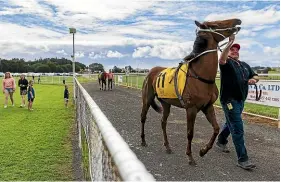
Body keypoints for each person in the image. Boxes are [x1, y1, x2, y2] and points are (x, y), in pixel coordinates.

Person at [216, 35, 259, 170]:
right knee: (238, 128)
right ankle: (243, 159)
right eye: (232, 50)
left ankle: (221, 141)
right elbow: (221, 60)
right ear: (228, 52)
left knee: (231, 123)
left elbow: (255, 75)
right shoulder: (227, 63)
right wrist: (230, 43)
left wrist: (254, 80)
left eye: (236, 50)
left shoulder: (244, 65)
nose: (235, 51)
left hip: (240, 100)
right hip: (229, 101)